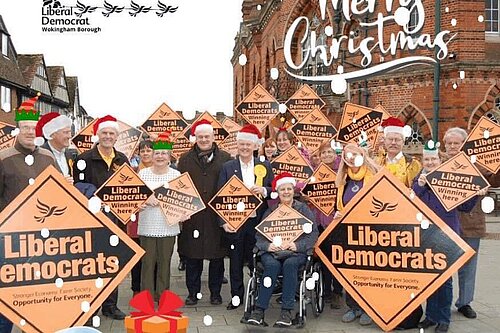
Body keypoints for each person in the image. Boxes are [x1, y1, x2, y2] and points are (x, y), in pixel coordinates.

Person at [414, 141, 485, 333]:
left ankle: (443, 319)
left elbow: (465, 206)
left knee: (445, 280)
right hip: (426, 234)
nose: (430, 162)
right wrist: (420, 186)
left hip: (447, 234)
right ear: (423, 161)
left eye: (433, 159)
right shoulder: (418, 178)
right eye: (427, 159)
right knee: (430, 278)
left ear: (439, 160)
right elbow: (411, 200)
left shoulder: (450, 179)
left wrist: (476, 195)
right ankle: (430, 316)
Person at [0, 94, 57, 332]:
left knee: (39, 287)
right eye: (25, 128)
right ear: (17, 129)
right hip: (11, 236)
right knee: (8, 289)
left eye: (33, 128)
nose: (29, 132)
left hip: (42, 236)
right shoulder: (3, 159)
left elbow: (58, 193)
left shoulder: (48, 157)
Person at [73, 115, 129, 320]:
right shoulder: (83, 159)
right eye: (104, 133)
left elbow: (129, 187)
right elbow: (78, 188)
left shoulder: (122, 159)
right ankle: (91, 307)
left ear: (116, 136)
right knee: (93, 264)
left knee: (113, 262)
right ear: (98, 134)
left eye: (111, 133)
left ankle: (110, 305)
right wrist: (97, 197)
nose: (107, 136)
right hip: (92, 219)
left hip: (115, 220)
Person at [247, 172, 318, 327]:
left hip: (295, 252)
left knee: (290, 265)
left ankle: (286, 311)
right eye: (282, 189)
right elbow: (260, 235)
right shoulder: (271, 211)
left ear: (293, 191)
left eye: (289, 189)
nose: (286, 192)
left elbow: (313, 233)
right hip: (272, 251)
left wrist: (297, 246)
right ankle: (259, 310)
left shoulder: (303, 209)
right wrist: (267, 246)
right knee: (271, 265)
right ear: (277, 192)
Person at [442, 127, 498, 319]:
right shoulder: (437, 163)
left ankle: (464, 302)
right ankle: (442, 303)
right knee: (443, 265)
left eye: (456, 143)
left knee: (468, 267)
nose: (452, 147)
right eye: (449, 143)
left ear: (464, 145)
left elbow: (494, 180)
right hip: (443, 224)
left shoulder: (476, 165)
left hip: (470, 223)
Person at [218, 124, 274, 310]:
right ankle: (236, 297)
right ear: (237, 145)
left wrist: (265, 190)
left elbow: (275, 190)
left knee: (256, 260)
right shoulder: (228, 167)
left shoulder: (264, 165)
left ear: (255, 146)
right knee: (235, 261)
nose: (244, 148)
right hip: (236, 221)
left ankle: (257, 295)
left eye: (248, 145)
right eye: (241, 144)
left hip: (257, 221)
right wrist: (223, 222)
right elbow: (220, 195)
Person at [177, 119, 231, 306]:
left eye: (207, 136)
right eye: (200, 137)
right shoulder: (184, 160)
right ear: (195, 138)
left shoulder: (226, 158)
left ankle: (215, 293)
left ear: (213, 137)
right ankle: (193, 293)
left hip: (216, 216)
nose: (204, 139)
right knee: (193, 258)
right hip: (193, 216)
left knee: (217, 259)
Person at [335, 143, 380, 326]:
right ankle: (353, 306)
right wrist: (338, 212)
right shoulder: (343, 178)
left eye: (354, 154)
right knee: (351, 271)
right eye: (347, 155)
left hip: (370, 230)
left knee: (369, 272)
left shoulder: (374, 173)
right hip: (349, 230)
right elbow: (339, 205)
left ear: (362, 154)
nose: (351, 157)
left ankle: (369, 308)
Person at [137, 133, 181, 301]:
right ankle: (146, 300)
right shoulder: (143, 174)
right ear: (152, 156)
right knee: (147, 265)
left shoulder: (176, 175)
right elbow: (135, 199)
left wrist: (183, 212)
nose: (160, 156)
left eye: (164, 153)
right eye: (157, 153)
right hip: (147, 225)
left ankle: (162, 298)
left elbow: (182, 200)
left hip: (168, 227)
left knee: (164, 265)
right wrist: (145, 200)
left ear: (169, 157)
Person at [313, 141, 343, 309]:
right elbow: (309, 188)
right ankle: (325, 291)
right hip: (321, 221)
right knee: (324, 258)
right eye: (323, 153)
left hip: (337, 221)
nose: (326, 155)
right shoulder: (318, 172)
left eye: (329, 152)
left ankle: (337, 292)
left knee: (337, 259)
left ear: (335, 153)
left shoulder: (342, 171)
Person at [128, 140, 154, 295]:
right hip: (136, 220)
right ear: (138, 154)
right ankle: (137, 289)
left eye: (148, 150)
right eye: (142, 151)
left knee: (154, 257)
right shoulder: (132, 173)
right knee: (137, 257)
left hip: (155, 221)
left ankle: (153, 288)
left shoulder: (162, 172)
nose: (145, 153)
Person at [376, 117, 421, 187]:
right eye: (390, 139)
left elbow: (416, 188)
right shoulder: (377, 162)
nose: (393, 143)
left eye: (397, 140)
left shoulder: (412, 164)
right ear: (384, 141)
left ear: (403, 142)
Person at [35, 112, 75, 183]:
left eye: (70, 132)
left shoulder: (70, 154)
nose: (69, 136)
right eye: (66, 132)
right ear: (52, 135)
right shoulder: (39, 155)